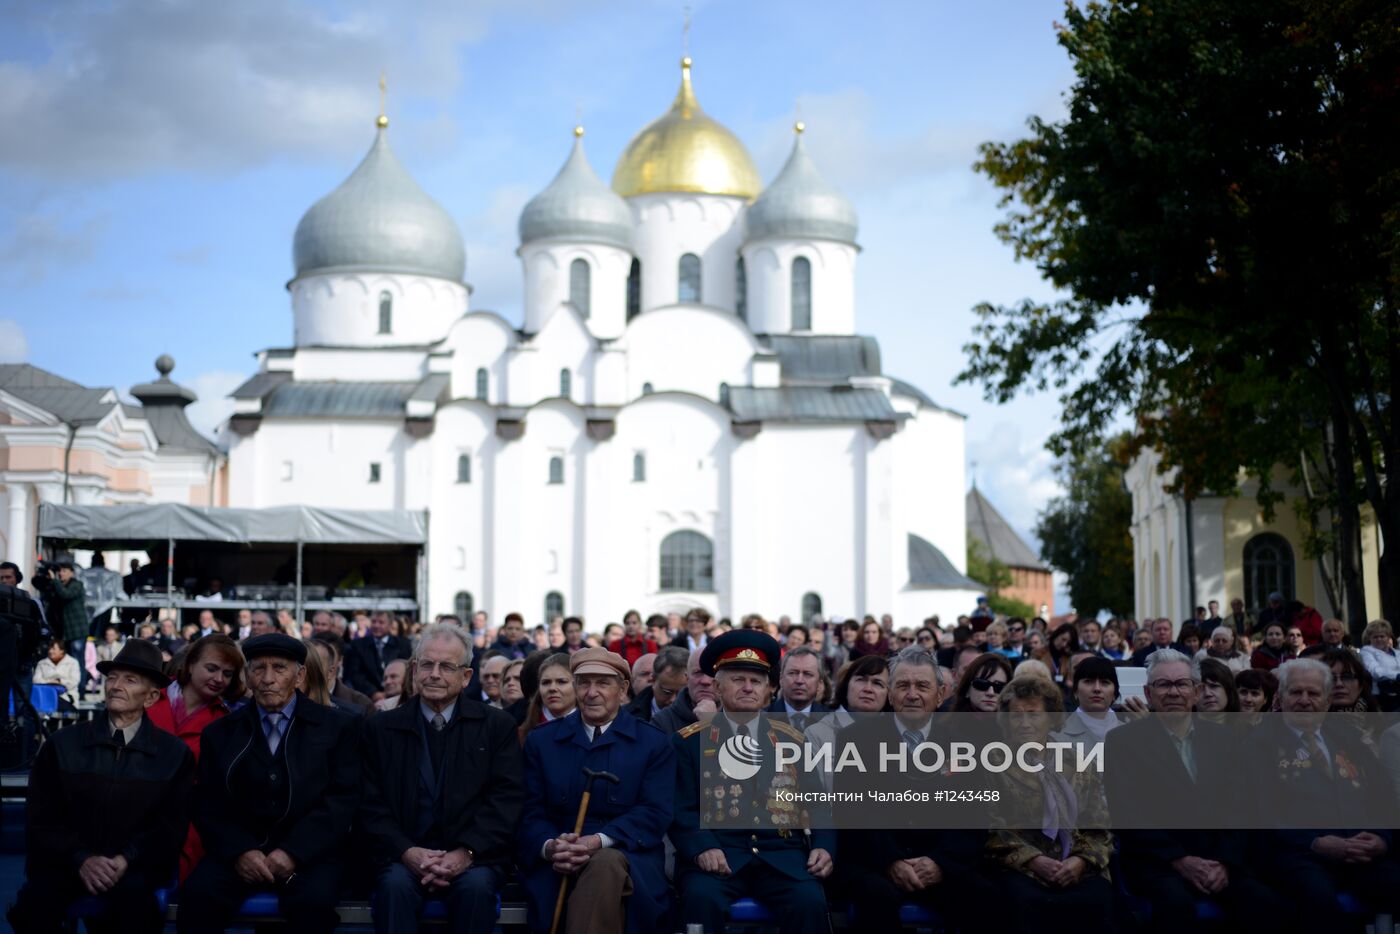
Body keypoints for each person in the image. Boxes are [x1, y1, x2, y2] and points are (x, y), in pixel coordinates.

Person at [178, 633, 361, 934]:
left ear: (299, 675)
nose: (268, 678)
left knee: (314, 905)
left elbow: (342, 801)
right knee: (198, 898)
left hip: (311, 856)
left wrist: (292, 852)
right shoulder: (220, 733)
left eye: (279, 668)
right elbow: (207, 803)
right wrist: (241, 852)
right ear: (247, 676)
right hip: (238, 855)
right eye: (258, 669)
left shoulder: (337, 728)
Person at [8, 640, 194, 934]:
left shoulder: (174, 754)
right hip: (67, 865)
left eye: (129, 679)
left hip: (134, 870)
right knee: (32, 909)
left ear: (151, 697)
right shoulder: (61, 744)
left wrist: (125, 859)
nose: (116, 686)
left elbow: (169, 827)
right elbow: (42, 819)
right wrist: (81, 859)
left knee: (137, 913)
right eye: (112, 677)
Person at [361, 624, 523, 934]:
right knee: (394, 888)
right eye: (427, 664)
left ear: (465, 677)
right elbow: (369, 802)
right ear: (414, 670)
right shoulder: (381, 728)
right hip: (400, 855)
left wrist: (466, 852)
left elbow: (505, 799)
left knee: (475, 890)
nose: (434, 674)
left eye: (447, 666)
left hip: (475, 857)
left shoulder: (496, 726)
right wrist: (406, 851)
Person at [1104, 649, 1280, 933]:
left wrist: (1224, 862)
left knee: (1265, 904)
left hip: (1218, 860)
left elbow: (1239, 806)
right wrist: (1180, 860)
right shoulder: (1123, 742)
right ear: (1148, 693)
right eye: (1163, 684)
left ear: (1196, 691)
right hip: (1157, 862)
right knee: (1175, 907)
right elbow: (1128, 812)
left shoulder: (1224, 740)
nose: (1173, 692)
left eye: (1182, 684)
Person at [671, 630, 834, 934]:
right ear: (717, 687)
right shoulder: (688, 743)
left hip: (782, 859)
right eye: (737, 679)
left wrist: (825, 846)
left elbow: (820, 804)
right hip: (718, 859)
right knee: (699, 900)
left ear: (769, 690)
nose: (748, 687)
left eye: (756, 681)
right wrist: (702, 847)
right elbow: (681, 809)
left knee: (809, 901)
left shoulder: (794, 742)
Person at [520, 648, 675, 934]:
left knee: (605, 863)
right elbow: (530, 810)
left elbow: (655, 811)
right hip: (558, 858)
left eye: (602, 683)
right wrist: (552, 846)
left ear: (623, 688)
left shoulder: (652, 743)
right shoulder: (542, 742)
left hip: (630, 855)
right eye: (584, 682)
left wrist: (599, 841)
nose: (592, 693)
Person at [836, 648, 993, 930]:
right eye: (903, 685)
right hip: (875, 863)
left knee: (984, 897)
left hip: (938, 864)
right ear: (891, 694)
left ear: (940, 694)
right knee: (875, 898)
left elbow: (974, 814)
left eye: (922, 686)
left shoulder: (964, 746)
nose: (912, 694)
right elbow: (851, 810)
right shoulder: (854, 740)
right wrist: (891, 862)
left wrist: (939, 863)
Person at [1243, 658, 1400, 929]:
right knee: (1318, 899)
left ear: (1328, 701)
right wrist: (1315, 843)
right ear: (1280, 698)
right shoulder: (1258, 745)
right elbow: (1259, 815)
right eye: (1296, 692)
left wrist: (1382, 838)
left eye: (1313, 693)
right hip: (1297, 855)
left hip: (1360, 853)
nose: (1304, 700)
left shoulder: (1348, 737)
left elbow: (1383, 797)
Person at [984, 676, 1113, 934]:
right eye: (1016, 716)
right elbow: (990, 827)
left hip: (1078, 869)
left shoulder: (1078, 762)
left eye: (1033, 715)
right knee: (1026, 905)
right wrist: (1034, 860)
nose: (1024, 723)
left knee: (1099, 902)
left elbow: (1100, 827)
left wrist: (1080, 861)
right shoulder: (992, 762)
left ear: (1052, 717)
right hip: (1019, 870)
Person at [148, 633, 246, 879]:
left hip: (189, 828)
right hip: (135, 814)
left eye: (227, 673)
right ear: (190, 664)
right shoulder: (147, 698)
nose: (219, 679)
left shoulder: (226, 723)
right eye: (211, 668)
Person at [806, 655, 890, 792]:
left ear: (889, 694)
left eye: (877, 683)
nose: (868, 689)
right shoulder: (818, 734)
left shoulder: (899, 734)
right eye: (861, 680)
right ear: (846, 686)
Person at [33, 557, 88, 694]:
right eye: (59, 571)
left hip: (77, 631)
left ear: (72, 573)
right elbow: (39, 585)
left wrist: (55, 581)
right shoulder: (57, 585)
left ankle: (79, 690)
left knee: (77, 660)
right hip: (65, 632)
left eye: (64, 571)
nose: (61, 574)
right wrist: (47, 579)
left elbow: (65, 595)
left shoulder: (77, 584)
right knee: (67, 661)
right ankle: (66, 688)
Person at [1053, 656, 1124, 744]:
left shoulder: (1130, 733)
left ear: (1115, 693)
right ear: (1075, 691)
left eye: (1105, 682)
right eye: (1088, 681)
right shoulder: (1058, 736)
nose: (1097, 689)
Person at [345, 610, 413, 698]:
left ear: (390, 624)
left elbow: (407, 671)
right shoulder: (358, 645)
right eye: (373, 622)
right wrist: (373, 693)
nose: (376, 625)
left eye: (381, 622)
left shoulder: (403, 644)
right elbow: (355, 673)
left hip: (399, 696)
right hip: (367, 698)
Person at [651, 649, 717, 734]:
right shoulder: (662, 722)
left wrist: (713, 724)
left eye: (713, 673)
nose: (705, 681)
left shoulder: (737, 712)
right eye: (698, 672)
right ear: (687, 678)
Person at [765, 646, 832, 729]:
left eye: (808, 674)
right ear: (781, 679)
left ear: (819, 684)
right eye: (793, 673)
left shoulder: (832, 722)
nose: (799, 680)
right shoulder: (762, 719)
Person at [519, 653, 576, 744]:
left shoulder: (594, 729)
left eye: (561, 682)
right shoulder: (522, 734)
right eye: (546, 682)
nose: (552, 688)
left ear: (577, 685)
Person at [311, 635, 375, 716]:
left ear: (340, 660)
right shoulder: (294, 699)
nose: (314, 666)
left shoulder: (361, 704)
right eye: (312, 659)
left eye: (329, 656)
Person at [626, 644, 686, 724]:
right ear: (653, 680)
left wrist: (706, 721)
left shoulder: (703, 713)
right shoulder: (625, 715)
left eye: (681, 693)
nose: (673, 700)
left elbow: (706, 737)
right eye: (667, 692)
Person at [1359, 619, 1399, 710]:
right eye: (1375, 637)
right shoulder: (1367, 651)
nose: (1379, 639)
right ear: (1370, 638)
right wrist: (1396, 676)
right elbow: (1375, 671)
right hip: (1381, 697)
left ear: (1389, 637)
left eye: (1382, 636)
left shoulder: (1397, 653)